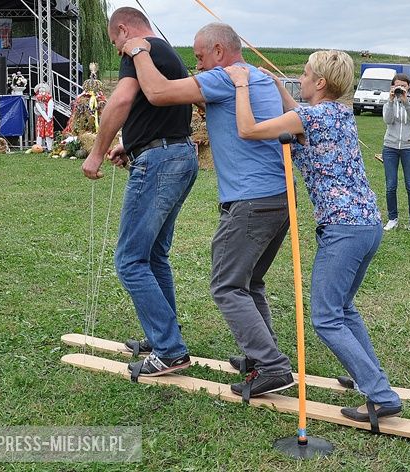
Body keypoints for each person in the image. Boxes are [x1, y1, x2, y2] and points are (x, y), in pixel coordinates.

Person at [225, 50, 404, 422]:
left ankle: (380, 395)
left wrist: (242, 86)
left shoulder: (309, 116)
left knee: (325, 317)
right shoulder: (338, 112)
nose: (299, 79)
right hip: (366, 224)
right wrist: (277, 86)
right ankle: (367, 379)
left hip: (342, 229)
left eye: (304, 74)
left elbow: (248, 130)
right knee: (343, 309)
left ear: (320, 82)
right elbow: (301, 115)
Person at [122, 23, 295, 398]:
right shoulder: (256, 79)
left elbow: (157, 92)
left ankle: (272, 366)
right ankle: (260, 356)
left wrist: (138, 50)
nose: (197, 65)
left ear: (219, 51)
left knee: (227, 285)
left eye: (199, 57)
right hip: (280, 198)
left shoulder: (223, 78)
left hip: (250, 201)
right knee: (250, 282)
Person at [81, 7, 198, 378]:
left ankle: (169, 350)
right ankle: (163, 335)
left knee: (130, 260)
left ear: (122, 29)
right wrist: (129, 147)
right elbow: (157, 111)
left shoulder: (139, 47)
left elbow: (120, 101)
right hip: (178, 154)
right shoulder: (164, 50)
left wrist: (96, 152)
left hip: (161, 160)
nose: (118, 49)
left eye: (115, 41)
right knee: (154, 256)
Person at [381, 73, 410, 234]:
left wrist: (406, 102)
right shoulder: (388, 102)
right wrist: (391, 101)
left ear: (408, 87)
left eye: (403, 86)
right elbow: (388, 120)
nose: (400, 88)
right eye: (397, 85)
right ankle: (393, 218)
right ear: (392, 86)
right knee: (391, 185)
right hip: (390, 147)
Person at [34, 83, 54, 152]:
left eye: (43, 91)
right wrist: (47, 118)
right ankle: (39, 147)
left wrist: (49, 117)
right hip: (41, 118)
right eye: (40, 92)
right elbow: (40, 110)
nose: (42, 93)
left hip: (48, 118)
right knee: (40, 132)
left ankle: (49, 148)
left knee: (48, 132)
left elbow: (50, 107)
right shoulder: (37, 101)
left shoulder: (49, 99)